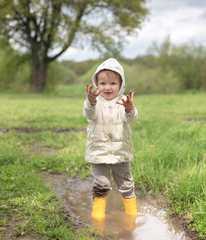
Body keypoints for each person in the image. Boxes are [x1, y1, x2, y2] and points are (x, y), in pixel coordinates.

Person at [83, 58, 138, 233]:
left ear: (121, 85)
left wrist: (130, 108)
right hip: (99, 153)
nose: (108, 87)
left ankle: (132, 215)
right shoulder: (94, 103)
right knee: (101, 184)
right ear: (96, 84)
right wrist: (90, 102)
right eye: (103, 83)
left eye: (113, 83)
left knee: (126, 185)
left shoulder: (123, 102)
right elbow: (89, 114)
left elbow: (131, 118)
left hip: (120, 153)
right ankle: (98, 219)